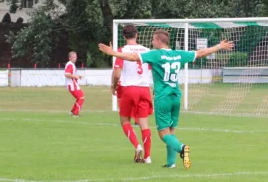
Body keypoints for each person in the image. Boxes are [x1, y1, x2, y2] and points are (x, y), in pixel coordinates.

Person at [99, 30, 234, 169]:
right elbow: (200, 53)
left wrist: (113, 53)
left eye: (153, 40)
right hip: (176, 97)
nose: (151, 42)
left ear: (158, 41)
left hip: (163, 98)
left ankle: (182, 148)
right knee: (171, 130)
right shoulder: (178, 54)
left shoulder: (156, 54)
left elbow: (133, 57)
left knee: (163, 134)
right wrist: (219, 46)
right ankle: (171, 163)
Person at [111, 24, 153, 164]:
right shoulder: (147, 51)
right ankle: (147, 157)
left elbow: (117, 72)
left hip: (129, 89)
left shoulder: (122, 51)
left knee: (125, 120)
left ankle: (137, 146)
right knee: (144, 123)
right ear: (137, 35)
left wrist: (114, 85)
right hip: (144, 89)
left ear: (124, 37)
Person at [64, 51, 84, 117]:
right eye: (73, 57)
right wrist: (75, 76)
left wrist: (78, 76)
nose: (75, 58)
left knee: (80, 97)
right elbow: (66, 74)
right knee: (81, 97)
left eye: (75, 57)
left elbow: (72, 74)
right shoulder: (70, 64)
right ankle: (75, 113)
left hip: (73, 84)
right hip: (72, 84)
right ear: (69, 58)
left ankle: (73, 111)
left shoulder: (72, 64)